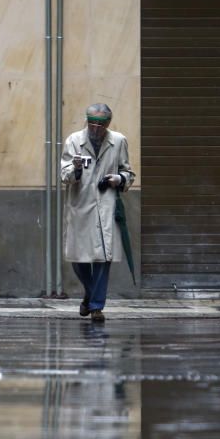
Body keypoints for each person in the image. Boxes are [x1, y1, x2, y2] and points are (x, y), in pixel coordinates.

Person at [60, 104, 135, 322]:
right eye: (91, 123)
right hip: (81, 207)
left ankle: (96, 306)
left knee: (103, 258)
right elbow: (63, 174)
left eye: (100, 125)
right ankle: (89, 295)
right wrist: (74, 169)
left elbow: (128, 172)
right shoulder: (74, 141)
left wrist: (117, 179)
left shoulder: (118, 141)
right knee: (79, 259)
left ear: (108, 124)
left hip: (106, 206)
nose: (95, 128)